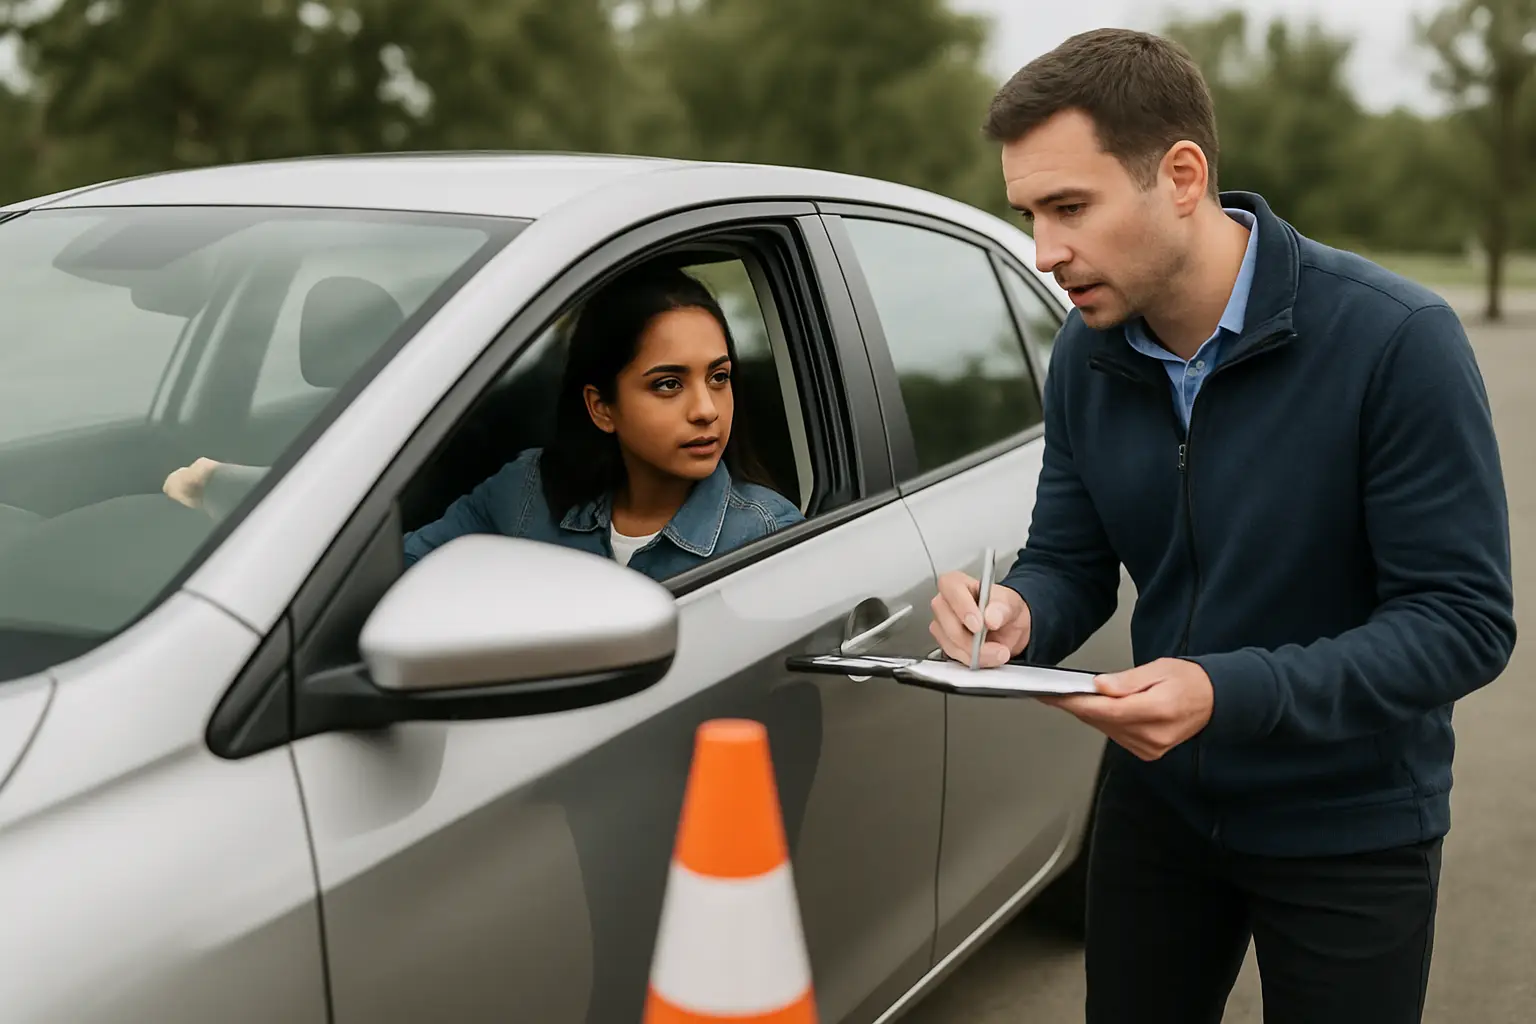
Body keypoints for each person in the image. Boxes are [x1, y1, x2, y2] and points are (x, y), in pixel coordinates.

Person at [928, 28, 1515, 1024]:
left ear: (1183, 176)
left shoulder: (1395, 341)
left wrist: (1223, 690)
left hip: (1351, 825)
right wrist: (1018, 612)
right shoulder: (1087, 354)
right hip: (1159, 807)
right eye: (1028, 212)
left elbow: (1463, 622)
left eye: (1071, 207)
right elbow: (1072, 561)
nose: (1045, 251)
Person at [163, 263, 804, 577]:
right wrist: (233, 489)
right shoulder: (527, 494)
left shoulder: (769, 536)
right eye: (669, 384)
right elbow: (376, 567)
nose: (705, 409)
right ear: (601, 407)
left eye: (719, 378)